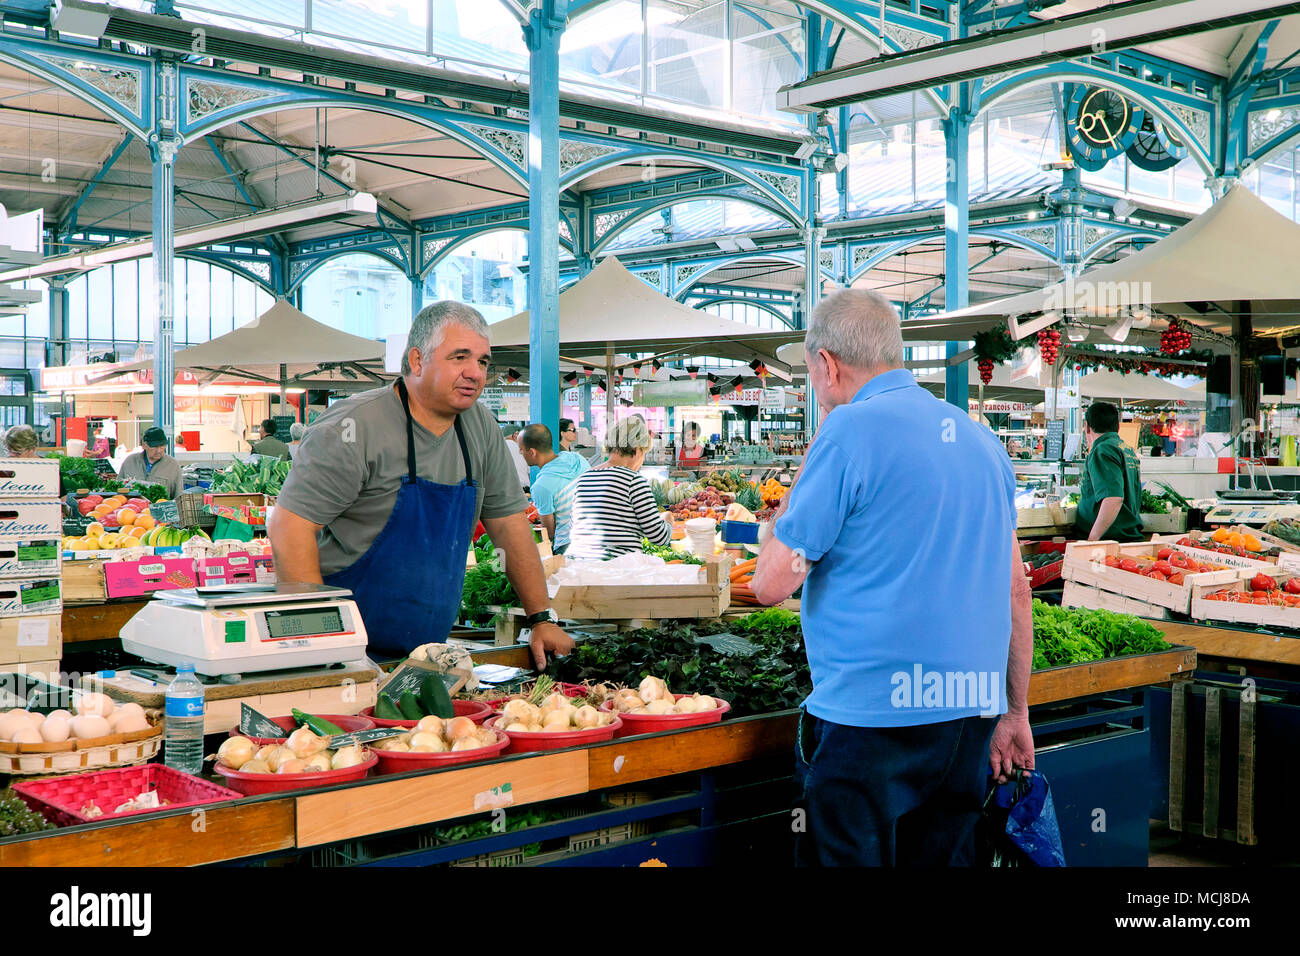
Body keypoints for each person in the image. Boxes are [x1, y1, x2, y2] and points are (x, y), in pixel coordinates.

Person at [750, 289, 1034, 867]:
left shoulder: (847, 432)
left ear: (827, 364)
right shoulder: (981, 441)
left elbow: (770, 583)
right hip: (968, 718)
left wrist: (787, 505)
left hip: (870, 721)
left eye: (810, 374)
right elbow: (1015, 591)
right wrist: (1015, 712)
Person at [268, 301, 574, 666]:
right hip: (344, 655)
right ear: (416, 360)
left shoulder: (481, 427)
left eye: (482, 361)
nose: (474, 373)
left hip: (426, 654)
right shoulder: (353, 427)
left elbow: (509, 525)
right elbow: (289, 528)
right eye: (459, 357)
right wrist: (322, 646)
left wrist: (541, 617)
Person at [565, 415, 673, 560]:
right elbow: (659, 537)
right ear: (637, 450)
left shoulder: (584, 478)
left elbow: (574, 526)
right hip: (617, 571)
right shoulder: (633, 481)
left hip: (578, 567)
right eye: (644, 453)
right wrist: (667, 519)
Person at [1077, 402, 1144, 542]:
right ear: (1117, 426)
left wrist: (1093, 538)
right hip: (1122, 536)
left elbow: (1113, 498)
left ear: (1087, 427)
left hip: (1109, 539)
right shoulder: (1126, 448)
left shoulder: (1103, 450)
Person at [519, 423, 589, 555]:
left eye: (521, 449)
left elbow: (549, 532)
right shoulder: (577, 459)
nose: (520, 453)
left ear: (532, 452)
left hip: (568, 545)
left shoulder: (541, 486)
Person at [118, 427, 184, 499]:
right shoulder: (130, 462)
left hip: (160, 508)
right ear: (144, 445)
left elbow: (179, 496)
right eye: (154, 447)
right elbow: (118, 490)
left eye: (162, 446)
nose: (159, 451)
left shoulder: (173, 465)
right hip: (132, 509)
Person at [501, 425, 530, 491]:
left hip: (505, 489)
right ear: (515, 435)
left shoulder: (499, 447)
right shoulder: (523, 448)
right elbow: (529, 472)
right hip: (523, 489)